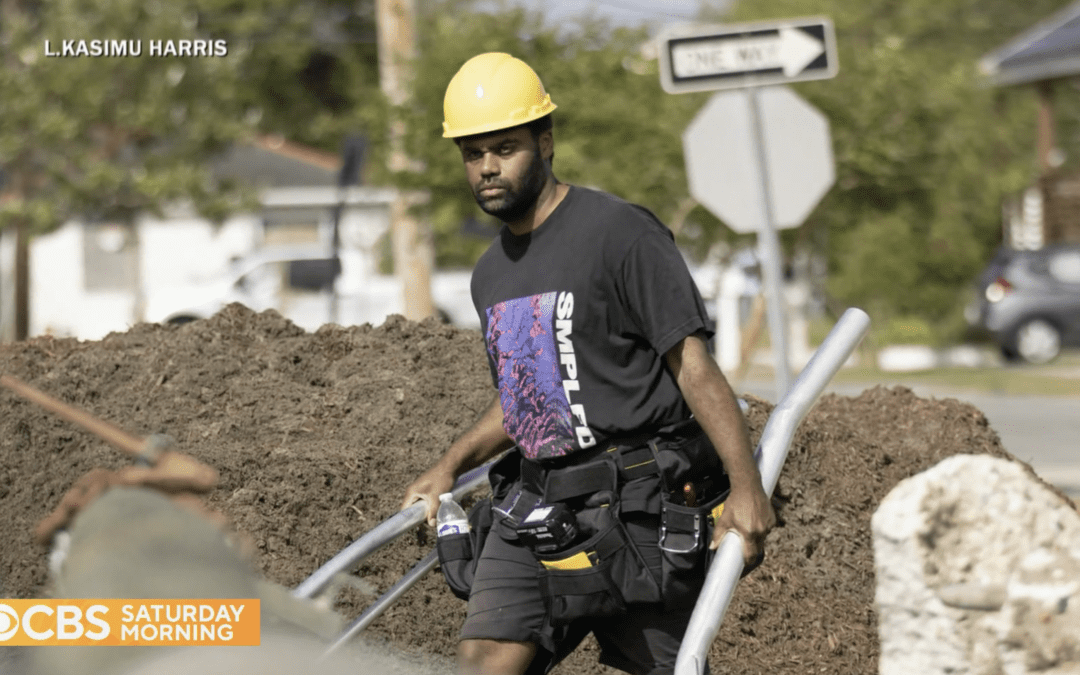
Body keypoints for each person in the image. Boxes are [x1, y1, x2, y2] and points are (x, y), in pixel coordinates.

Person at [401, 52, 776, 675]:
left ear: (545, 143)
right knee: (482, 662)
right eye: (473, 153)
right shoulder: (490, 273)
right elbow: (525, 400)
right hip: (537, 501)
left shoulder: (622, 235)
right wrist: (448, 466)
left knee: (666, 665)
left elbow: (693, 367)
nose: (488, 167)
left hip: (637, 508)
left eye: (505, 147)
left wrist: (745, 489)